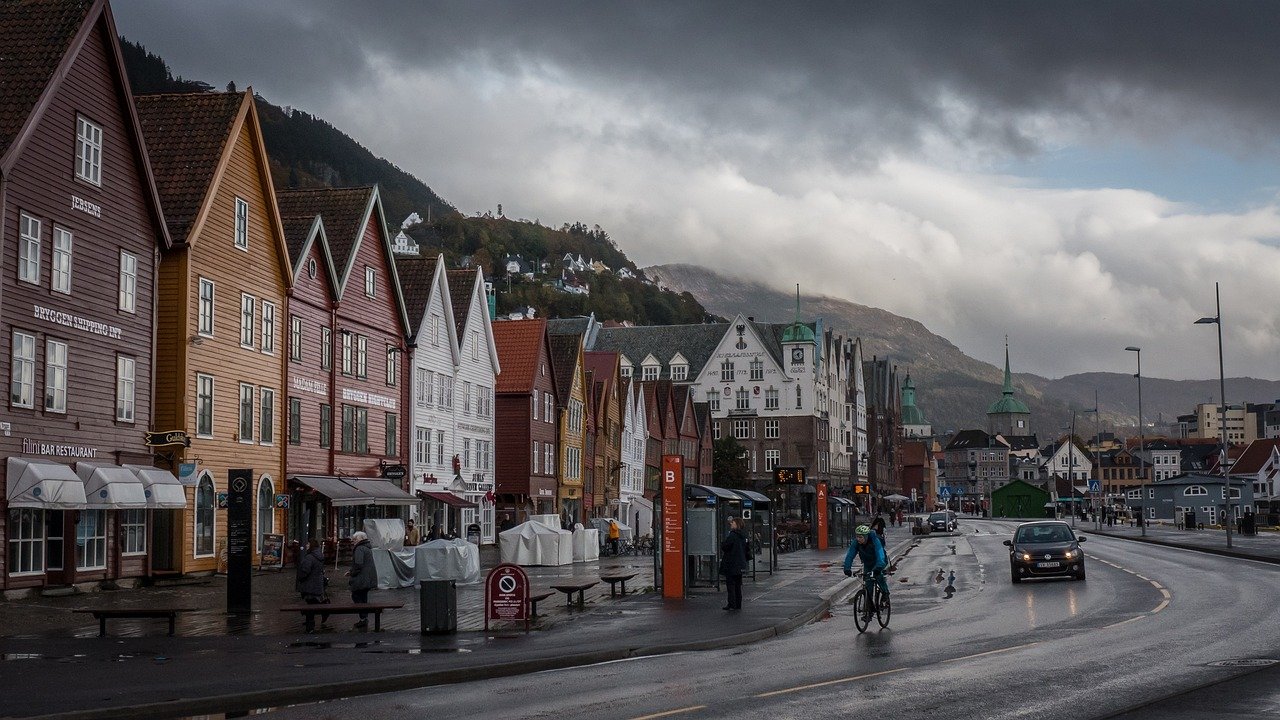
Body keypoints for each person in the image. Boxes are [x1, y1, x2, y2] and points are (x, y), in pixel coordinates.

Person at [843, 524, 890, 622]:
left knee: (878, 576)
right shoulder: (856, 543)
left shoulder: (875, 541)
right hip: (868, 564)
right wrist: (847, 568)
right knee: (868, 586)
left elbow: (880, 554)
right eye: (857, 536)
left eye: (861, 537)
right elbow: (850, 555)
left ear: (866, 536)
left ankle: (885, 593)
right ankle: (869, 612)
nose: (858, 539)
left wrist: (878, 568)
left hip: (879, 562)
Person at [295, 538, 330, 632]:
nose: (306, 546)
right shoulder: (319, 555)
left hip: (309, 584)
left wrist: (300, 578)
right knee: (313, 603)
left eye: (308, 544)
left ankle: (310, 625)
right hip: (317, 584)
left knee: (310, 604)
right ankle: (314, 619)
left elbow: (305, 571)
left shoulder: (309, 557)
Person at [347, 531, 377, 629]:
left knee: (356, 595)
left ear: (360, 539)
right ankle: (364, 618)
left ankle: (363, 617)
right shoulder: (367, 548)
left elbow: (358, 564)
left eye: (355, 539)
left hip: (361, 578)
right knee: (363, 597)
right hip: (368, 578)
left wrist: (351, 572)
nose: (353, 541)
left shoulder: (359, 549)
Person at [720, 517, 750, 610]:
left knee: (730, 585)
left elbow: (726, 546)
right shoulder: (743, 535)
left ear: (736, 524)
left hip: (731, 563)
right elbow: (747, 549)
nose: (731, 524)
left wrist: (723, 543)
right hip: (740, 563)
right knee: (738, 585)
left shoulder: (732, 535)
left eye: (732, 522)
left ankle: (731, 604)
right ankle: (738, 604)